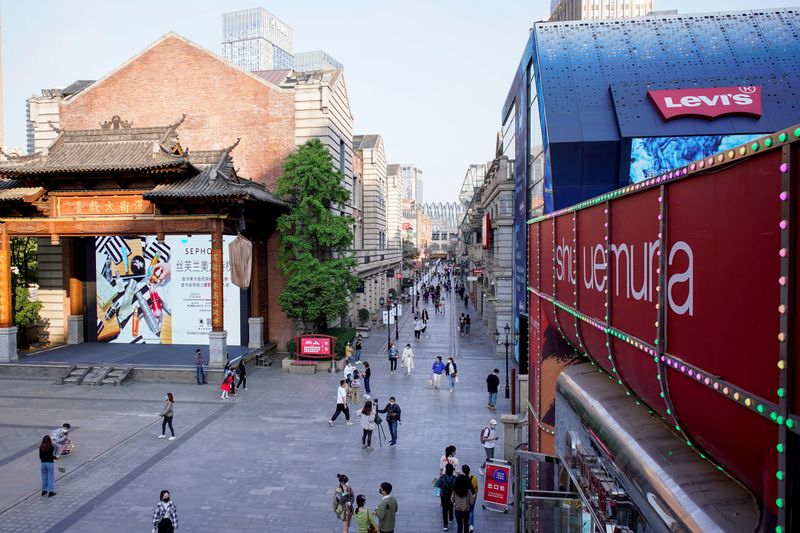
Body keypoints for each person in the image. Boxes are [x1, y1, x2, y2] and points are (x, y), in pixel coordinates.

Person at [437, 463, 457, 530]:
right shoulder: (455, 478)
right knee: (451, 507)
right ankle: (451, 519)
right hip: (452, 496)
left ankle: (445, 525)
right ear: (452, 470)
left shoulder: (442, 477)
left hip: (444, 496)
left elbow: (439, 485)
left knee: (444, 509)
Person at [462, 465, 478, 532]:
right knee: (471, 511)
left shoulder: (462, 478)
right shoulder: (474, 478)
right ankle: (471, 525)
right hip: (472, 497)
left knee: (464, 510)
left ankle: (465, 523)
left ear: (463, 471)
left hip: (464, 497)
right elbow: (476, 488)